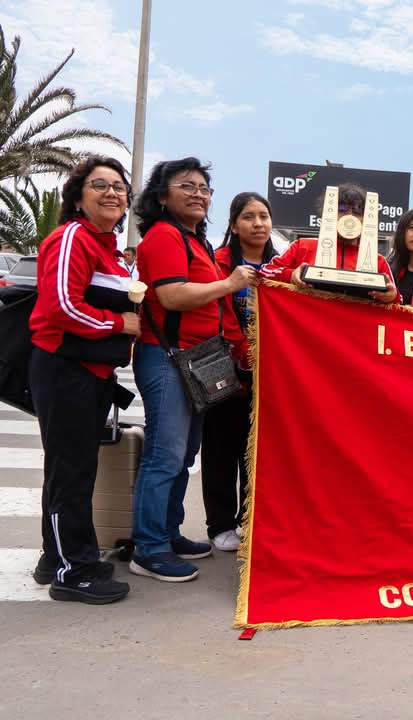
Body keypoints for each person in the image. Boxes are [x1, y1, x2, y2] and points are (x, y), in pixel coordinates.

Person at [130, 157, 255, 582]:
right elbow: (173, 297)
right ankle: (148, 548)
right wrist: (230, 284)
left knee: (183, 456)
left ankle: (167, 533)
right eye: (187, 186)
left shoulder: (193, 239)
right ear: (162, 196)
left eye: (204, 187)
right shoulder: (165, 236)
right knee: (164, 457)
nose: (199, 193)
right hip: (167, 358)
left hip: (196, 359)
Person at [27, 155, 139, 604]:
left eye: (118, 186)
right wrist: (119, 324)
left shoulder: (107, 246)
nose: (112, 192)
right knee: (71, 471)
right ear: (77, 196)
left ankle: (55, 557)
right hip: (64, 369)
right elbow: (60, 307)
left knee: (68, 469)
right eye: (99, 185)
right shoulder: (73, 237)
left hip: (89, 373)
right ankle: (75, 571)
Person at [201, 192, 278, 553]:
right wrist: (246, 352)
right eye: (249, 217)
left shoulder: (283, 267)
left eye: (264, 216)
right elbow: (218, 316)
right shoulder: (216, 264)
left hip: (270, 374)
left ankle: (251, 520)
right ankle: (220, 523)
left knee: (258, 450)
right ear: (234, 225)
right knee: (220, 449)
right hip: (225, 369)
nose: (258, 223)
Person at [260, 183, 397, 303]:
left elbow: (400, 304)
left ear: (367, 219)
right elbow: (264, 273)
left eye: (357, 212)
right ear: (328, 213)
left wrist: (391, 296)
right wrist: (291, 275)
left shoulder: (378, 261)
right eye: (342, 210)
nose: (349, 217)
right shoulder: (302, 246)